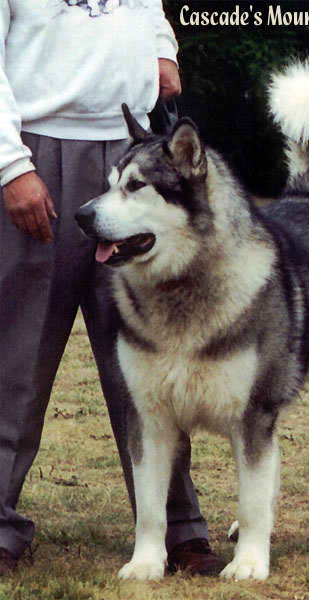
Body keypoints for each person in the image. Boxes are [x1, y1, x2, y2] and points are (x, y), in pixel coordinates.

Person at [0, 0, 224, 577]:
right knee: (18, 358)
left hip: (134, 152)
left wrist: (164, 50)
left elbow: (150, 10)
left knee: (149, 363)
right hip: (39, 150)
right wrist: (11, 166)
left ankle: (178, 527)